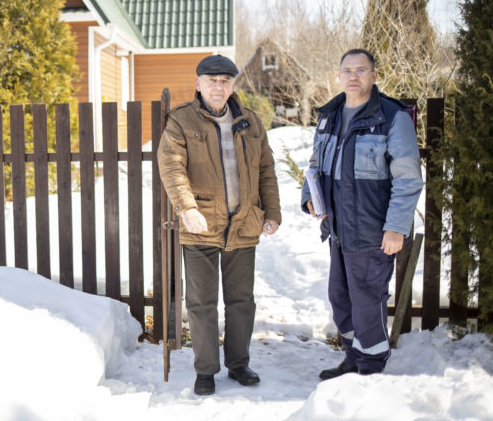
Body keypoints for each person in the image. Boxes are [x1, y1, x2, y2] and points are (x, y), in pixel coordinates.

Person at [157, 55, 281, 395]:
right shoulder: (181, 119)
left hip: (243, 224)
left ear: (233, 85)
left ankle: (238, 364)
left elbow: (266, 170)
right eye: (211, 80)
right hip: (200, 226)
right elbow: (171, 166)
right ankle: (206, 370)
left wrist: (272, 212)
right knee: (201, 303)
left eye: (225, 80)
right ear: (198, 84)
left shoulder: (251, 121)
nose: (218, 86)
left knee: (242, 301)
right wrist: (187, 208)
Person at [301, 49, 423, 379]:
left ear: (374, 75)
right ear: (339, 75)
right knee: (340, 298)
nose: (353, 76)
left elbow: (408, 178)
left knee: (367, 301)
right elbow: (315, 164)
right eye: (347, 71)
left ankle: (371, 367)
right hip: (338, 229)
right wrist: (309, 195)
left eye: (361, 70)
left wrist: (396, 227)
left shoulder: (391, 117)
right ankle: (353, 358)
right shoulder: (330, 115)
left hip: (372, 231)